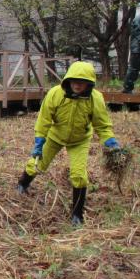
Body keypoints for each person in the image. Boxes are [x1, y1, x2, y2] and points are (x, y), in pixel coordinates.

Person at [17, 61, 120, 226]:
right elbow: (44, 119)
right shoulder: (55, 94)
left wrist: (110, 141)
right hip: (55, 136)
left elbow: (101, 125)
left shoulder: (95, 98)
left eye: (82, 82)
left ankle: (77, 214)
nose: (78, 85)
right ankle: (22, 184)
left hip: (79, 140)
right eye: (74, 81)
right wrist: (39, 140)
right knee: (37, 164)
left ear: (89, 83)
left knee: (79, 175)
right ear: (68, 80)